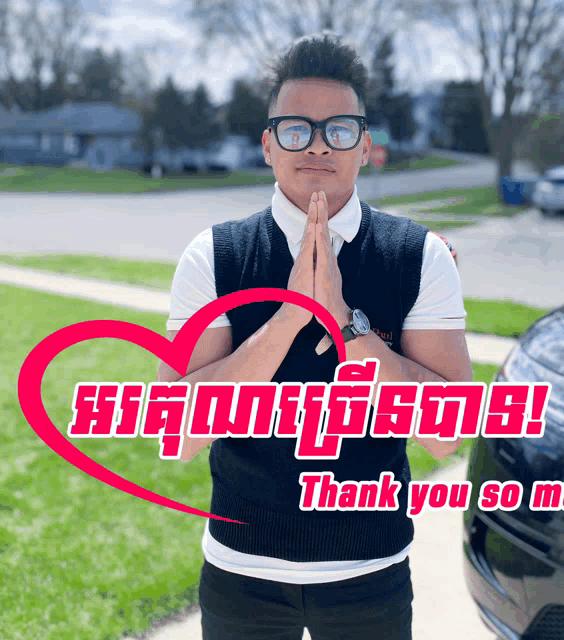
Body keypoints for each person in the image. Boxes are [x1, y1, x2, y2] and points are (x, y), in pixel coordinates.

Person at [158, 32, 472, 640]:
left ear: (365, 147)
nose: (319, 145)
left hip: (370, 572)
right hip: (240, 572)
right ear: (270, 145)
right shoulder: (214, 257)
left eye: (340, 129)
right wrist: (288, 319)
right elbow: (178, 436)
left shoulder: (419, 257)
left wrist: (349, 325)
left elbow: (445, 436)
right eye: (297, 129)